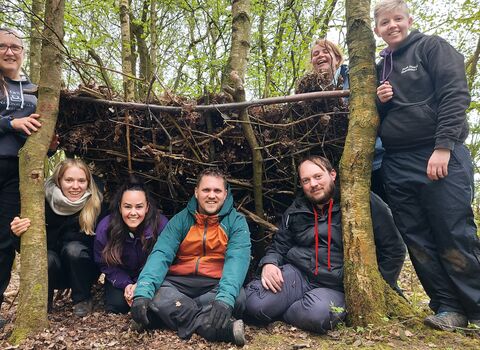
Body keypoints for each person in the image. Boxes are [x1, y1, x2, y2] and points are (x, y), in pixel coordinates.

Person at [374, 0, 480, 331]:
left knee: (453, 231)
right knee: (417, 238)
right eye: (385, 22)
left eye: (397, 19)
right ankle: (448, 307)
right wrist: (380, 102)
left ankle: (476, 307)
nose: (392, 26)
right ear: (377, 30)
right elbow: (372, 121)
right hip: (397, 161)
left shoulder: (431, 48)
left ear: (409, 20)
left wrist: (443, 147)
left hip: (437, 154)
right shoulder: (381, 67)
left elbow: (455, 95)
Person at [244, 155, 406, 333]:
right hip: (299, 274)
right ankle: (287, 305)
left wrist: (376, 288)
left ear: (333, 174)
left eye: (318, 176)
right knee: (254, 304)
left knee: (316, 316)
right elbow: (279, 245)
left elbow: (394, 250)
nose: (313, 184)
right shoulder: (297, 209)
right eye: (306, 180)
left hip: (335, 284)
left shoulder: (361, 203)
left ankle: (285, 310)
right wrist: (270, 262)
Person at [130, 168, 251, 346]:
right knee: (154, 295)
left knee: (237, 299)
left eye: (217, 191)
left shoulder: (236, 222)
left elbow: (237, 261)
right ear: (196, 192)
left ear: (225, 194)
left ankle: (162, 316)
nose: (211, 195)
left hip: (214, 284)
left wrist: (225, 299)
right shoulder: (181, 220)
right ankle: (208, 326)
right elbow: (161, 255)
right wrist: (142, 292)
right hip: (179, 283)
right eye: (206, 190)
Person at [11, 158, 103, 317]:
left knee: (74, 249)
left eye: (81, 181)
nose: (75, 186)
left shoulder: (95, 205)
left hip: (83, 271)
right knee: (47, 257)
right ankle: (42, 303)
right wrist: (17, 233)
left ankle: (82, 300)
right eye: (69, 180)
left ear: (88, 182)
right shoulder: (40, 203)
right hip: (51, 271)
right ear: (58, 181)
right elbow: (23, 249)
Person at [309, 39, 387, 201]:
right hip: (340, 165)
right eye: (315, 54)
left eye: (325, 51)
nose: (320, 56)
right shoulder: (310, 89)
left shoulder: (355, 78)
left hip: (374, 160)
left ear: (337, 58)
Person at [0, 27, 42, 329]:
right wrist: (10, 123)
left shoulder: (33, 89)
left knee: (4, 242)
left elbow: (38, 131)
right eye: (3, 46)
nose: (9, 52)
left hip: (16, 174)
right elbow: (17, 125)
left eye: (15, 47)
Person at [94, 179, 168, 314]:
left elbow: (163, 261)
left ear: (147, 207)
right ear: (120, 207)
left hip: (151, 277)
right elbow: (106, 264)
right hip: (122, 275)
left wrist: (142, 284)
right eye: (127, 207)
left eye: (139, 207)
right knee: (117, 305)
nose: (133, 212)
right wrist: (126, 284)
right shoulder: (105, 228)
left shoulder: (161, 225)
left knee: (155, 304)